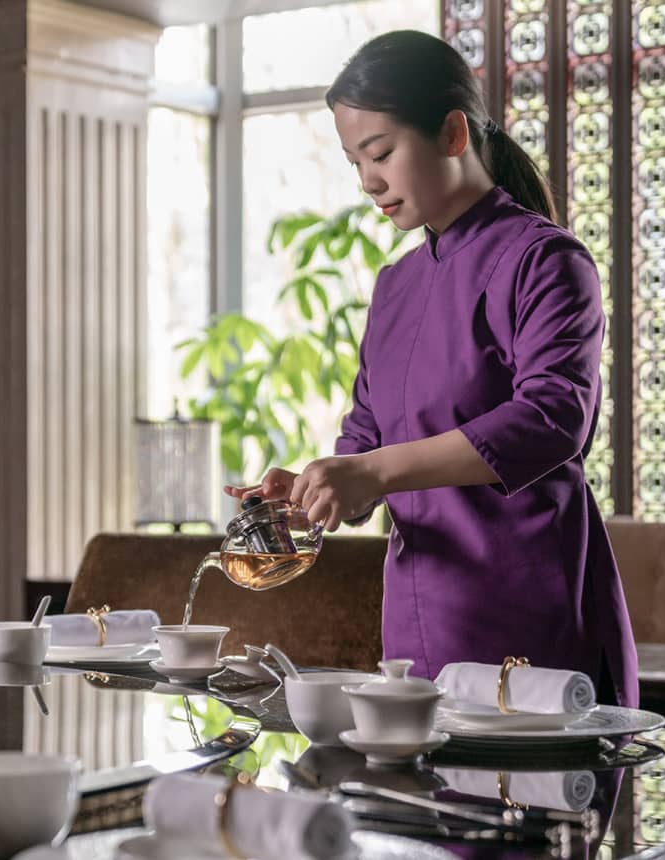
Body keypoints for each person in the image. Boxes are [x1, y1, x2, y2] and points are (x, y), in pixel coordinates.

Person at [225, 30, 637, 707]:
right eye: (355, 162)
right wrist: (313, 488)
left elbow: (553, 420)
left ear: (452, 134)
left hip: (531, 614)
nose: (368, 183)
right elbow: (365, 436)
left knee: (530, 806)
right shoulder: (395, 286)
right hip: (419, 620)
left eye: (381, 153)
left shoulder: (546, 261)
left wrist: (375, 471)